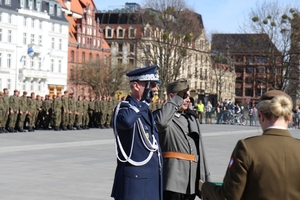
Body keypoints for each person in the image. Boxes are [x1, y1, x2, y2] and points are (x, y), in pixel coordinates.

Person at [199, 90, 300, 200]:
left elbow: (228, 196)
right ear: (289, 117)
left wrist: (205, 187)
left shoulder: (247, 147)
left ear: (261, 116)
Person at [111, 65, 163, 200]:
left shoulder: (144, 110)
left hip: (151, 182)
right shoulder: (124, 109)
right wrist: (144, 102)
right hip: (135, 185)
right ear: (136, 86)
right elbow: (127, 121)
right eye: (151, 85)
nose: (155, 89)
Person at [155, 78, 210, 200]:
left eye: (188, 96)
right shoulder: (163, 116)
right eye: (183, 95)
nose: (188, 99)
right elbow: (161, 123)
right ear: (172, 97)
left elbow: (200, 151)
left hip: (191, 181)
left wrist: (205, 180)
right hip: (172, 180)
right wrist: (176, 100)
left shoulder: (191, 118)